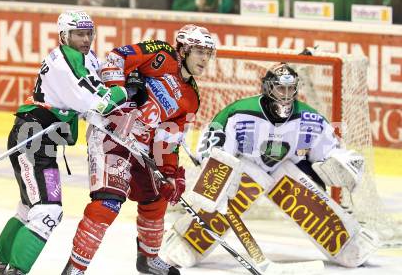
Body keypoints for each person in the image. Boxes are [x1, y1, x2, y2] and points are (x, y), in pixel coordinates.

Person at [161, 63, 379, 268]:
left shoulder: (310, 118)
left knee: (297, 188)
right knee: (243, 182)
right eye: (280, 88)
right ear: (267, 88)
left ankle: (347, 241)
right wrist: (216, 175)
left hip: (286, 170)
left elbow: (328, 151)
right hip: (246, 170)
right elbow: (214, 144)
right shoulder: (240, 112)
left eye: (290, 88)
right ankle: (186, 240)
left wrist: (340, 161)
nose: (285, 95)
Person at [0, 10, 130, 275]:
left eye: (89, 34)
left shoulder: (83, 57)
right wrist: (126, 90)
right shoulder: (66, 61)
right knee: (47, 212)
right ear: (64, 36)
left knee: (29, 209)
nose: (86, 39)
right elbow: (97, 102)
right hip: (32, 137)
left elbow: (93, 100)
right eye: (79, 34)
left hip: (43, 142)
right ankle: (13, 271)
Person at [61, 24, 216, 275]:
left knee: (157, 197)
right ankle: (75, 269)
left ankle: (148, 259)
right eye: (199, 51)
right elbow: (116, 57)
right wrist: (119, 94)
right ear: (184, 50)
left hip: (141, 147)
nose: (205, 59)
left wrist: (169, 172)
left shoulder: (191, 98)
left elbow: (168, 138)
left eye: (208, 53)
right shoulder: (161, 54)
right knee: (108, 201)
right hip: (111, 135)